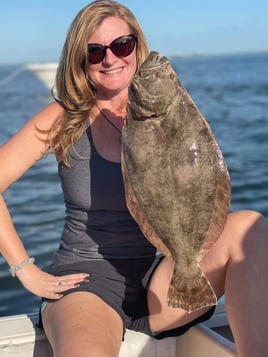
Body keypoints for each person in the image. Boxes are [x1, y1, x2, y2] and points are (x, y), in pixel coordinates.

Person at [0, 1, 267, 356]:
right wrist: (24, 269)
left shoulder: (172, 111)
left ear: (138, 46)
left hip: (169, 276)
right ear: (81, 60)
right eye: (95, 52)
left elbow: (204, 177)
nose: (110, 59)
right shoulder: (63, 118)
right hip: (89, 284)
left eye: (121, 46)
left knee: (252, 227)